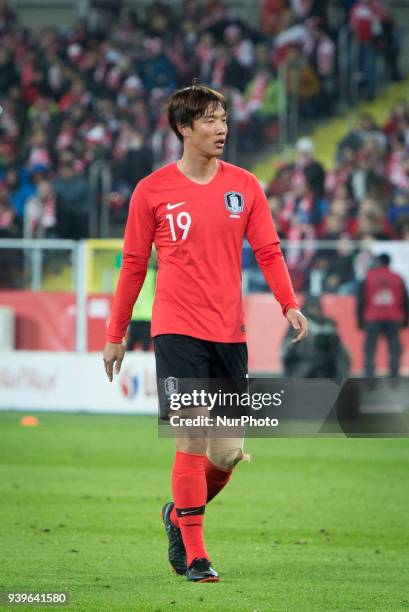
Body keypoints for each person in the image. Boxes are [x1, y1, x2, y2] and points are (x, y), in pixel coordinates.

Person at [102, 85, 307, 583]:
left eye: (224, 119)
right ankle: (195, 555)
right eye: (211, 120)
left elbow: (269, 251)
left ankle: (177, 514)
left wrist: (289, 303)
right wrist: (116, 333)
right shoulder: (151, 191)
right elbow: (133, 265)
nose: (222, 129)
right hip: (176, 329)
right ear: (183, 129)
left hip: (228, 334)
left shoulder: (245, 186)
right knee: (191, 437)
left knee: (225, 453)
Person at [357, 253, 409, 378]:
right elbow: (405, 301)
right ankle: (394, 377)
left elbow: (361, 301)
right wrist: (405, 320)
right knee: (394, 349)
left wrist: (360, 321)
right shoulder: (398, 278)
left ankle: (369, 377)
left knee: (370, 350)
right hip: (393, 317)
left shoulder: (368, 277)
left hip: (372, 318)